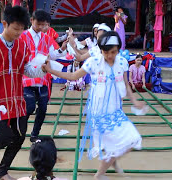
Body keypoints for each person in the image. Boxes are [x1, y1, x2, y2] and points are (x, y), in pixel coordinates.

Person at [43, 31, 143, 180]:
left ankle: (110, 162)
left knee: (133, 139)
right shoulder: (94, 61)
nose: (110, 56)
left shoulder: (122, 62)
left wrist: (135, 101)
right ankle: (99, 174)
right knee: (118, 144)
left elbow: (126, 84)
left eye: (113, 52)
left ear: (118, 50)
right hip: (99, 112)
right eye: (106, 52)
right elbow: (73, 76)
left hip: (116, 110)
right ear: (100, 50)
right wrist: (51, 70)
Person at [0, 5, 47, 180]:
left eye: (22, 29)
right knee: (5, 137)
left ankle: (2, 171)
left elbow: (27, 70)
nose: (19, 33)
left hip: (17, 99)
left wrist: (43, 69)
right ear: (4, 24)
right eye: (15, 28)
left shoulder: (22, 44)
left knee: (20, 137)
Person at [20, 9, 67, 143]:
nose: (41, 27)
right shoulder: (22, 37)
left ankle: (34, 135)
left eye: (44, 25)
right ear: (31, 21)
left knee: (43, 109)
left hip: (42, 79)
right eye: (39, 24)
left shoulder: (46, 38)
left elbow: (52, 54)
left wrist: (62, 49)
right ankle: (19, 132)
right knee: (28, 107)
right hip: (27, 79)